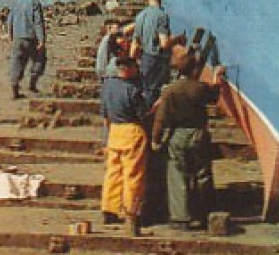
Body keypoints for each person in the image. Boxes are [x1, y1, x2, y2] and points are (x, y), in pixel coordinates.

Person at [151, 49, 219, 230]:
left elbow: (161, 118)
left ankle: (180, 218)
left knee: (177, 174)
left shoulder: (170, 90)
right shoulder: (200, 88)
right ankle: (204, 213)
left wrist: (155, 139)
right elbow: (214, 96)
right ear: (193, 69)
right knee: (202, 174)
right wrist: (217, 79)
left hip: (178, 135)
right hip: (199, 133)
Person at [99, 56, 149, 236]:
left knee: (113, 171)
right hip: (132, 131)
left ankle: (109, 208)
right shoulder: (133, 90)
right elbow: (142, 114)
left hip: (114, 131)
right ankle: (131, 210)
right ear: (127, 69)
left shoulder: (107, 86)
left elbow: (104, 114)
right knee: (133, 174)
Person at [132, 0, 174, 109]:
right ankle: (151, 120)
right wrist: (177, 40)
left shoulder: (140, 16)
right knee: (155, 92)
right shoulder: (162, 16)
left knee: (145, 90)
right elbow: (164, 43)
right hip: (157, 59)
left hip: (145, 58)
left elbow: (135, 43)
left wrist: (132, 60)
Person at [5, 0, 48, 99]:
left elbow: (10, 20)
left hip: (18, 37)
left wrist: (10, 35)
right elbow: (38, 22)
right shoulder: (35, 4)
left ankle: (15, 86)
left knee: (17, 62)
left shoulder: (16, 2)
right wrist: (41, 40)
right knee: (40, 59)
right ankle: (32, 84)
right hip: (31, 38)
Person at [93, 17, 126, 82]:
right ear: (108, 29)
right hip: (108, 75)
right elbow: (101, 60)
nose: (117, 31)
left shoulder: (115, 41)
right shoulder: (107, 40)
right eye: (116, 28)